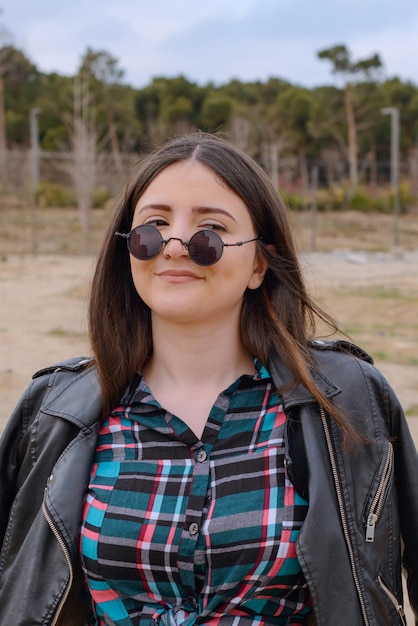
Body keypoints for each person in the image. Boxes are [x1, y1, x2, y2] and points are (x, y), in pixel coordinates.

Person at [0, 132, 417, 626]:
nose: (174, 246)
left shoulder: (351, 399)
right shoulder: (52, 409)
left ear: (259, 262)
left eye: (209, 231)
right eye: (152, 227)